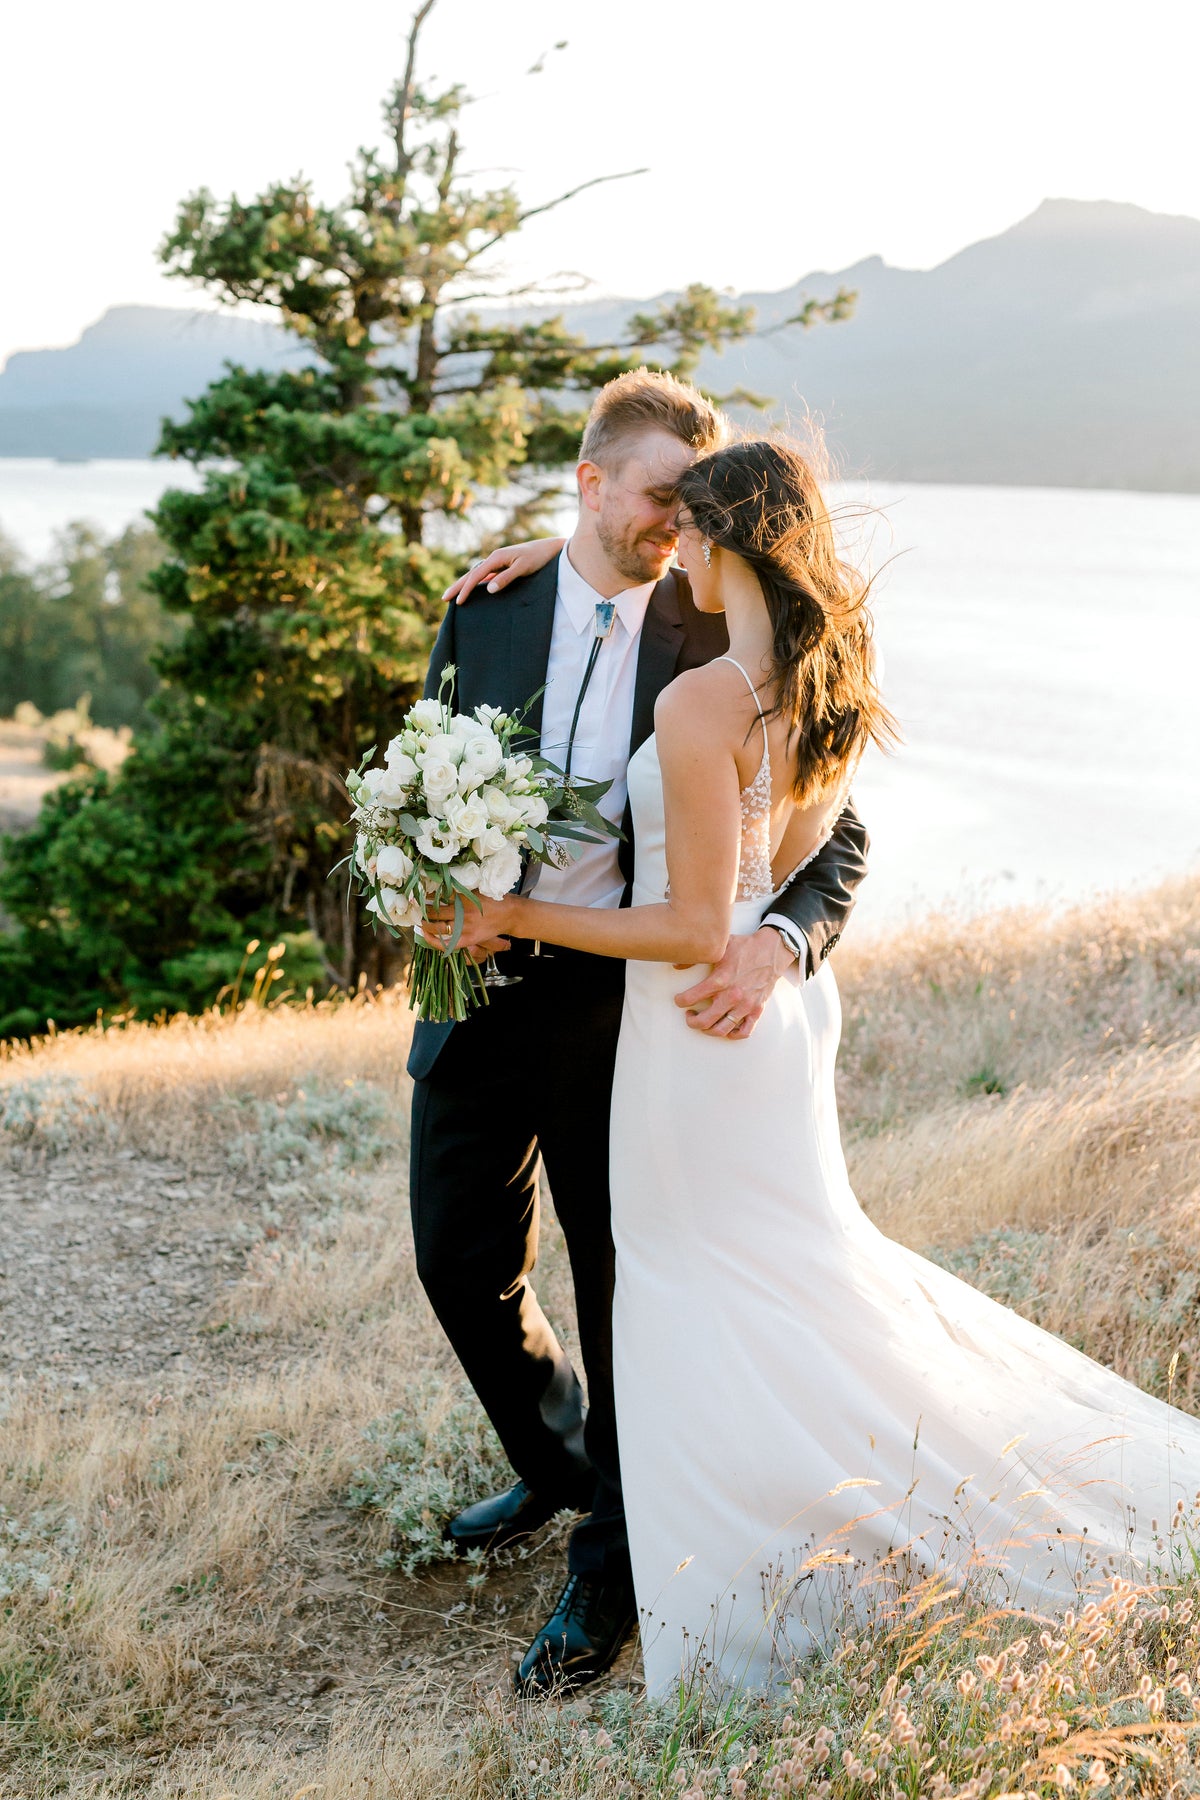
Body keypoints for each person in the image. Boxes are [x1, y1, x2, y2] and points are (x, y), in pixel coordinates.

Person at [435, 434, 1200, 1701]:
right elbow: (769, 858)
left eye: (689, 527)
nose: (669, 544)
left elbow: (691, 928)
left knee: (692, 1287)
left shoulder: (700, 699)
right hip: (773, 1031)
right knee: (785, 1276)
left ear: (725, 544)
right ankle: (807, 1511)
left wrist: (510, 918)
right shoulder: (824, 675)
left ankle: (728, 1556)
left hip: (692, 1025)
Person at [408, 371, 870, 1698]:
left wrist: (782, 940)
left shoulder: (720, 627)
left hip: (627, 1015)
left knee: (627, 1296)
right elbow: (428, 762)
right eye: (658, 494)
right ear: (589, 484)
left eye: (693, 500)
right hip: (478, 992)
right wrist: (427, 890)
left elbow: (836, 825)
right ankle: (565, 1468)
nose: (678, 521)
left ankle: (609, 1567)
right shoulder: (486, 607)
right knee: (458, 1262)